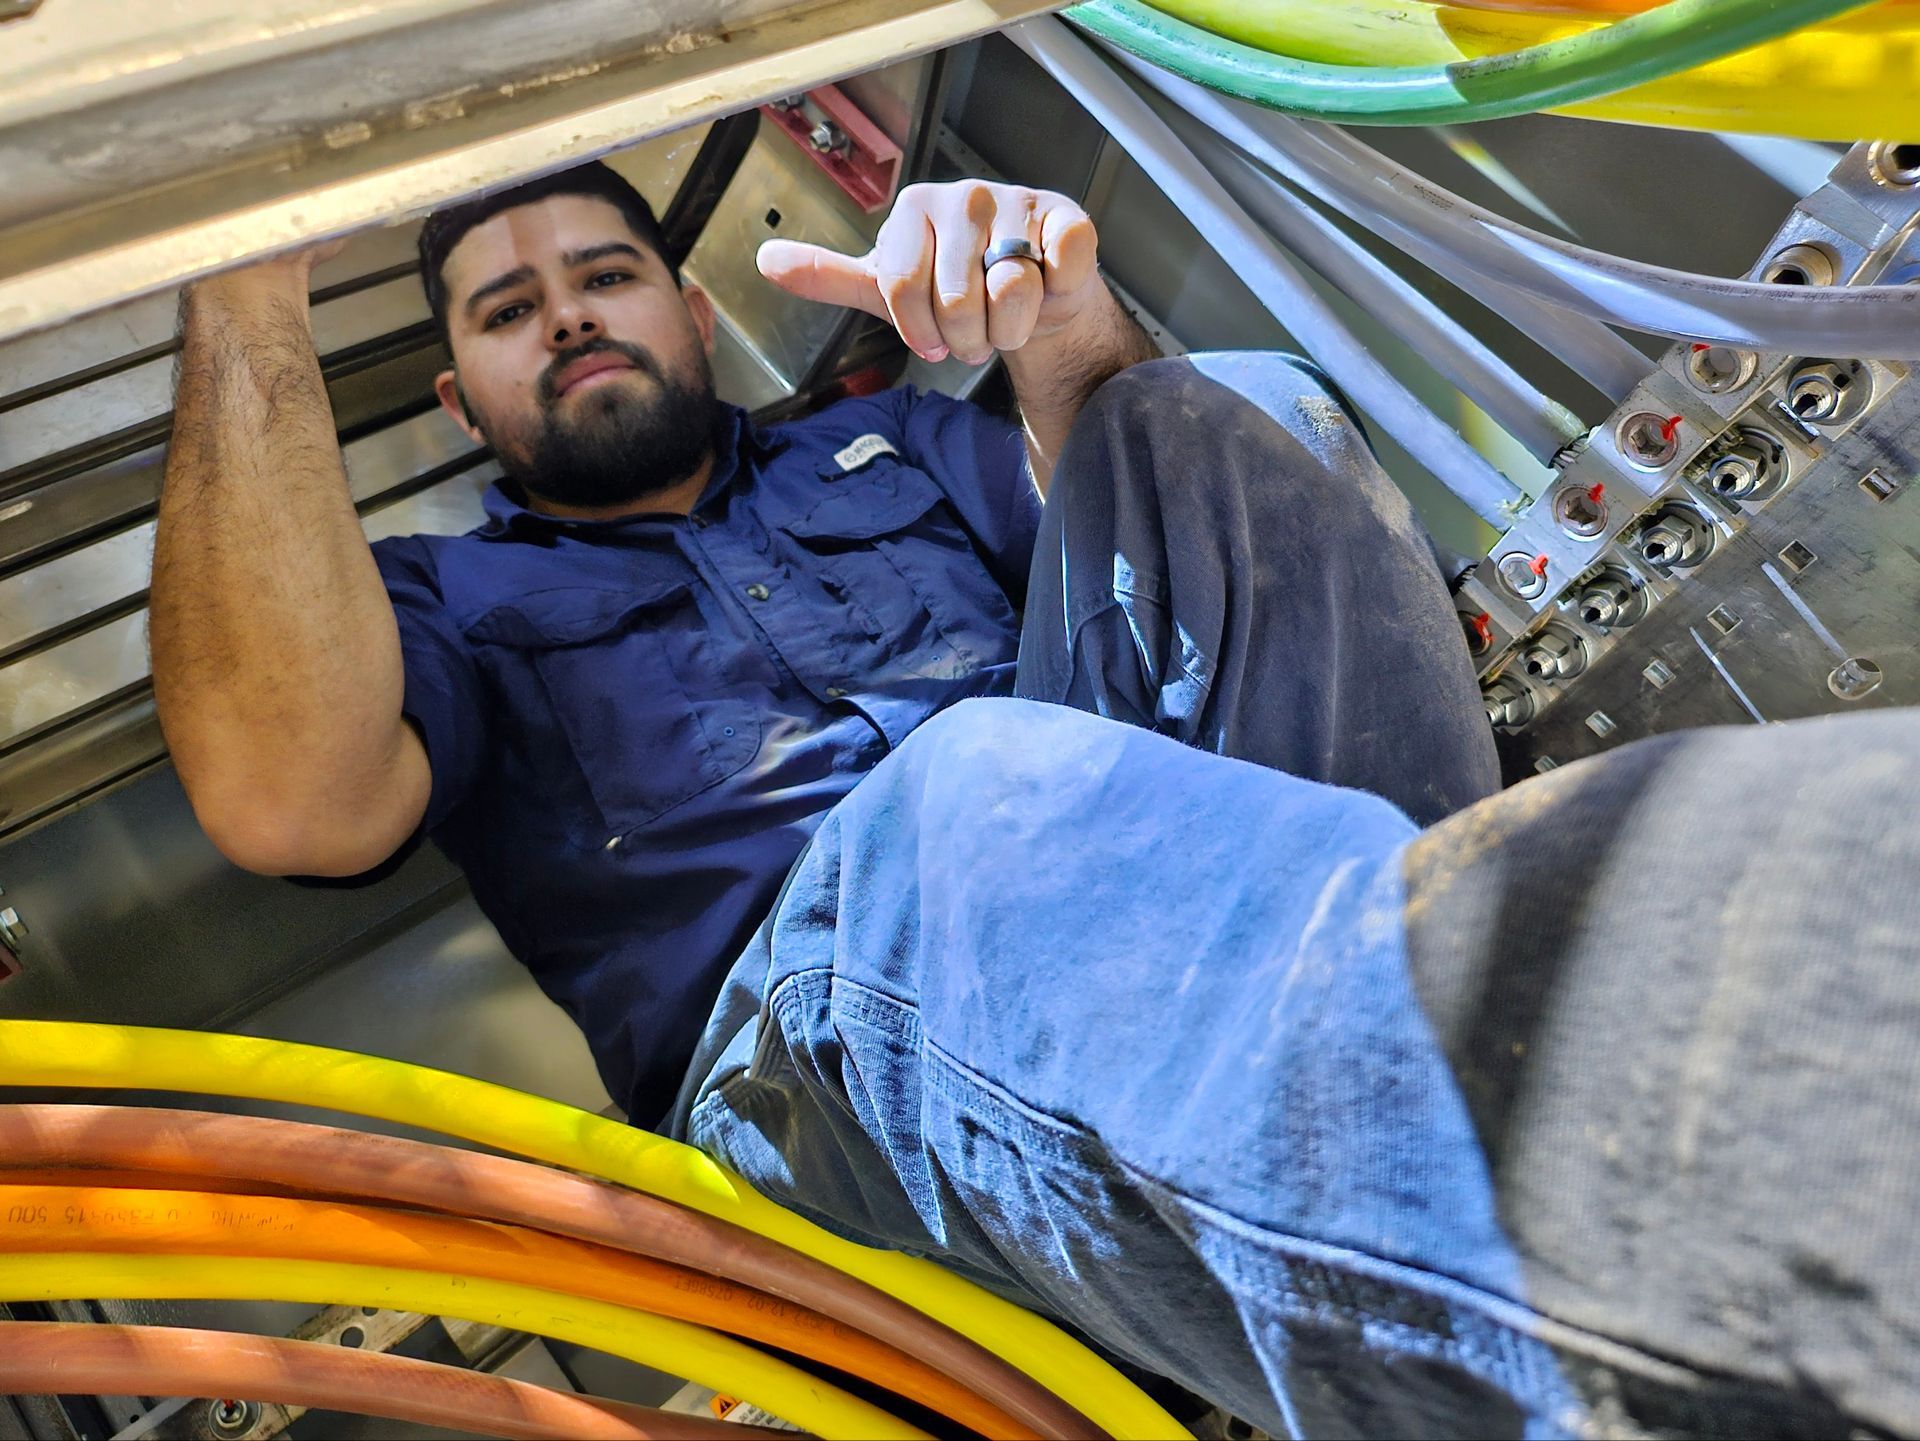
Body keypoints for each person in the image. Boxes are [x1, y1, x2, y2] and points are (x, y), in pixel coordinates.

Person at [151, 159, 1920, 1439]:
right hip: (815, 1078)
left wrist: (1063, 318)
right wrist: (245, 286)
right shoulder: (439, 604)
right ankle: (1633, 1201)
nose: (571, 320)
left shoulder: (883, 441)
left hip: (1167, 867)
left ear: (693, 313)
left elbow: (1155, 510)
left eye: (602, 276)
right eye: (511, 310)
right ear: (461, 400)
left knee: (1224, 411)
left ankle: (1421, 996)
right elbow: (290, 797)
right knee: (977, 798)